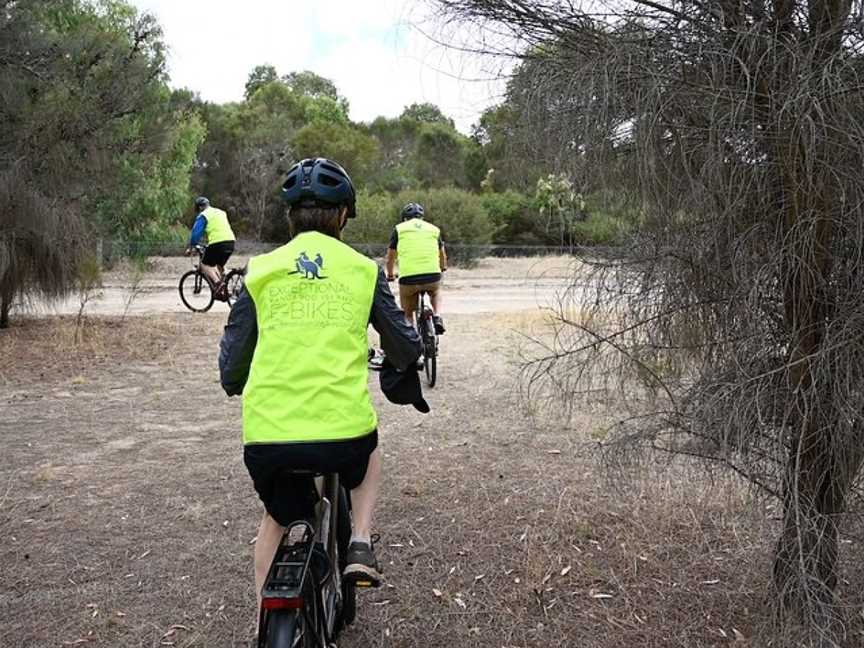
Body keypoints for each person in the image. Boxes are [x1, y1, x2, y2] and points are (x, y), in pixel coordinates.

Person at [219, 158, 424, 619]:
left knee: (276, 518)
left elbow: (231, 366)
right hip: (343, 437)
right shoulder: (360, 270)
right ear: (344, 215)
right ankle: (359, 543)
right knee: (369, 449)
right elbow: (404, 344)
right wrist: (402, 361)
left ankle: (265, 617)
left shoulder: (262, 270)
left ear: (290, 216)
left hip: (267, 438)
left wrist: (236, 382)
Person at [385, 202, 447, 333]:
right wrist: (442, 267)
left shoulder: (399, 229)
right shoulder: (434, 229)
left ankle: (412, 337)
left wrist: (390, 274)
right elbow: (442, 253)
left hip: (408, 279)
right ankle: (437, 316)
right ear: (422, 217)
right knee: (435, 292)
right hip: (432, 276)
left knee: (407, 313)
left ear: (405, 218)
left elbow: (390, 257)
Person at [185, 196, 236, 291]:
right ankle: (226, 287)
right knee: (218, 265)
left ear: (200, 207)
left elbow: (195, 234)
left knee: (204, 265)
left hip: (218, 243)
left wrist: (191, 247)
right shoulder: (221, 212)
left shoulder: (204, 215)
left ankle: (218, 283)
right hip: (231, 241)